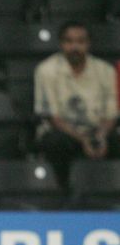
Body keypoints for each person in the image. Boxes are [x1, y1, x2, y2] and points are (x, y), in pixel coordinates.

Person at [35, 20, 120, 187]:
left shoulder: (106, 71)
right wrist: (83, 140)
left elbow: (111, 114)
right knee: (55, 142)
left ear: (88, 44)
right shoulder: (46, 70)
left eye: (81, 41)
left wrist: (100, 137)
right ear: (61, 44)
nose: (75, 47)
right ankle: (63, 191)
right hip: (64, 132)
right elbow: (54, 117)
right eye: (69, 41)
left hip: (98, 131)